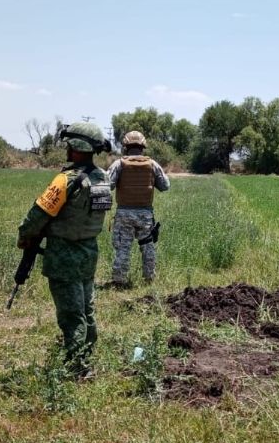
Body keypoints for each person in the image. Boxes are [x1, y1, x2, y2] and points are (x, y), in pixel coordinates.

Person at [17, 122, 113, 377]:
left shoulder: (66, 179)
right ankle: (87, 351)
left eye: (70, 144)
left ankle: (77, 367)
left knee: (71, 314)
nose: (67, 148)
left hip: (63, 255)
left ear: (77, 146)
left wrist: (25, 236)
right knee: (86, 307)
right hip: (89, 252)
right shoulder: (102, 178)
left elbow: (37, 215)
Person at [106, 131, 170, 287]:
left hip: (124, 214)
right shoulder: (153, 164)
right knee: (148, 248)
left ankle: (119, 282)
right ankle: (149, 280)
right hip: (145, 214)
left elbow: (108, 185)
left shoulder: (119, 164)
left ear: (126, 147)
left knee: (123, 248)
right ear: (143, 146)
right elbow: (165, 186)